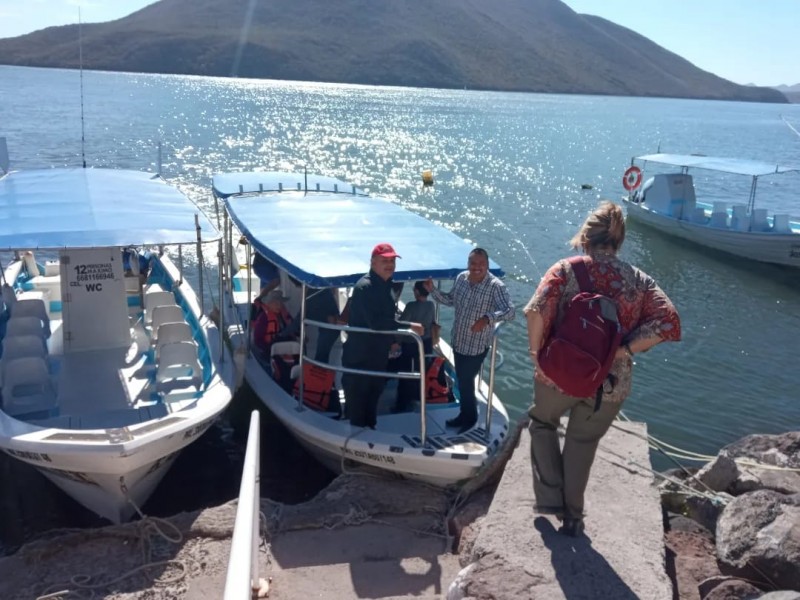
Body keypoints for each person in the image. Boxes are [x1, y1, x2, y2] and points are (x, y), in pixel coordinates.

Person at [524, 201, 681, 537]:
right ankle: (573, 517)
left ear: (586, 237)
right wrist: (623, 350)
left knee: (542, 422)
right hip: (610, 383)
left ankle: (550, 500)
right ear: (619, 241)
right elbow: (669, 323)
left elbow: (535, 311)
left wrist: (537, 354)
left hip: (558, 374)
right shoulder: (639, 281)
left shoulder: (565, 269)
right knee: (583, 443)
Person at [425, 247, 515, 434]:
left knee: (465, 380)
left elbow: (510, 311)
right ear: (468, 264)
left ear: (487, 265)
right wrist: (432, 290)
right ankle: (464, 415)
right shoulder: (461, 279)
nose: (476, 268)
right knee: (463, 381)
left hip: (477, 345)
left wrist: (487, 319)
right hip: (459, 340)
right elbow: (450, 300)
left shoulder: (495, 286)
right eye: (473, 263)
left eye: (481, 264)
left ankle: (469, 418)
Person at [342, 243, 423, 429]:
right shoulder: (366, 287)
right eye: (384, 261)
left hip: (377, 355)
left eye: (392, 261)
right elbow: (377, 323)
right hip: (359, 357)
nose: (390, 265)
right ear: (373, 263)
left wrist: (393, 340)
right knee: (358, 404)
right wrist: (409, 326)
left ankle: (370, 430)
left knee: (373, 399)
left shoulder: (386, 285)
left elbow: (386, 317)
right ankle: (355, 444)